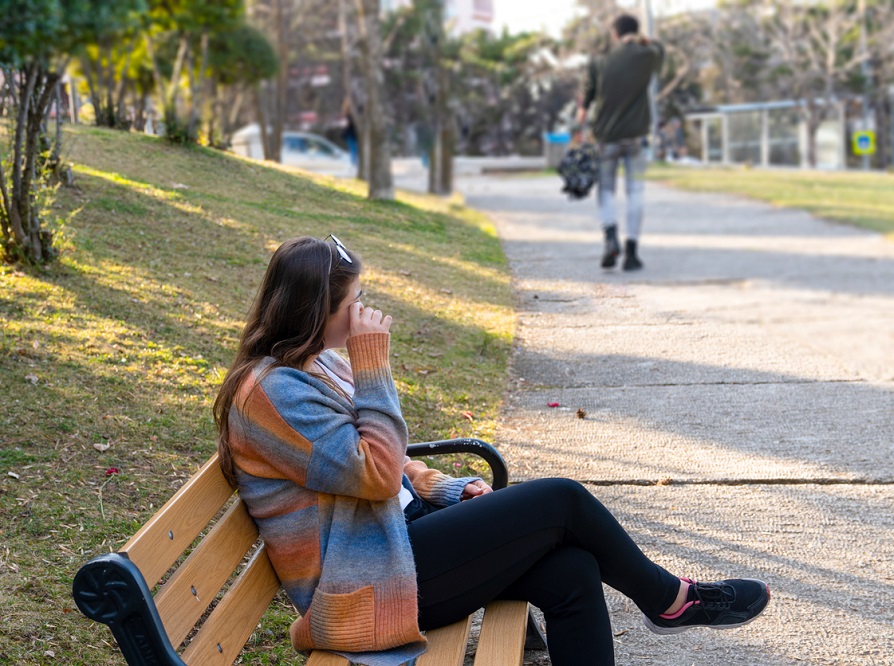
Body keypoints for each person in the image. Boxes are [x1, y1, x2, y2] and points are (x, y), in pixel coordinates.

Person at [213, 235, 770, 665]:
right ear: (315, 311)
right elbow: (375, 475)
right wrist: (374, 365)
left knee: (573, 571)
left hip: (398, 551)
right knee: (561, 500)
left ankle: (668, 600)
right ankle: (668, 599)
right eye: (355, 301)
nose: (364, 313)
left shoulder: (315, 363)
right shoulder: (271, 393)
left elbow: (386, 468)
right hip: (367, 588)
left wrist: (446, 488)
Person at [575, 14, 664, 272]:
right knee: (635, 192)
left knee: (606, 191)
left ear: (614, 34)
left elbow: (585, 101)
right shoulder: (648, 56)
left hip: (605, 138)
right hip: (635, 137)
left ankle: (610, 237)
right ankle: (632, 253)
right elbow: (660, 49)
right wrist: (644, 41)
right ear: (635, 33)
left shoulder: (599, 61)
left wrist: (578, 131)